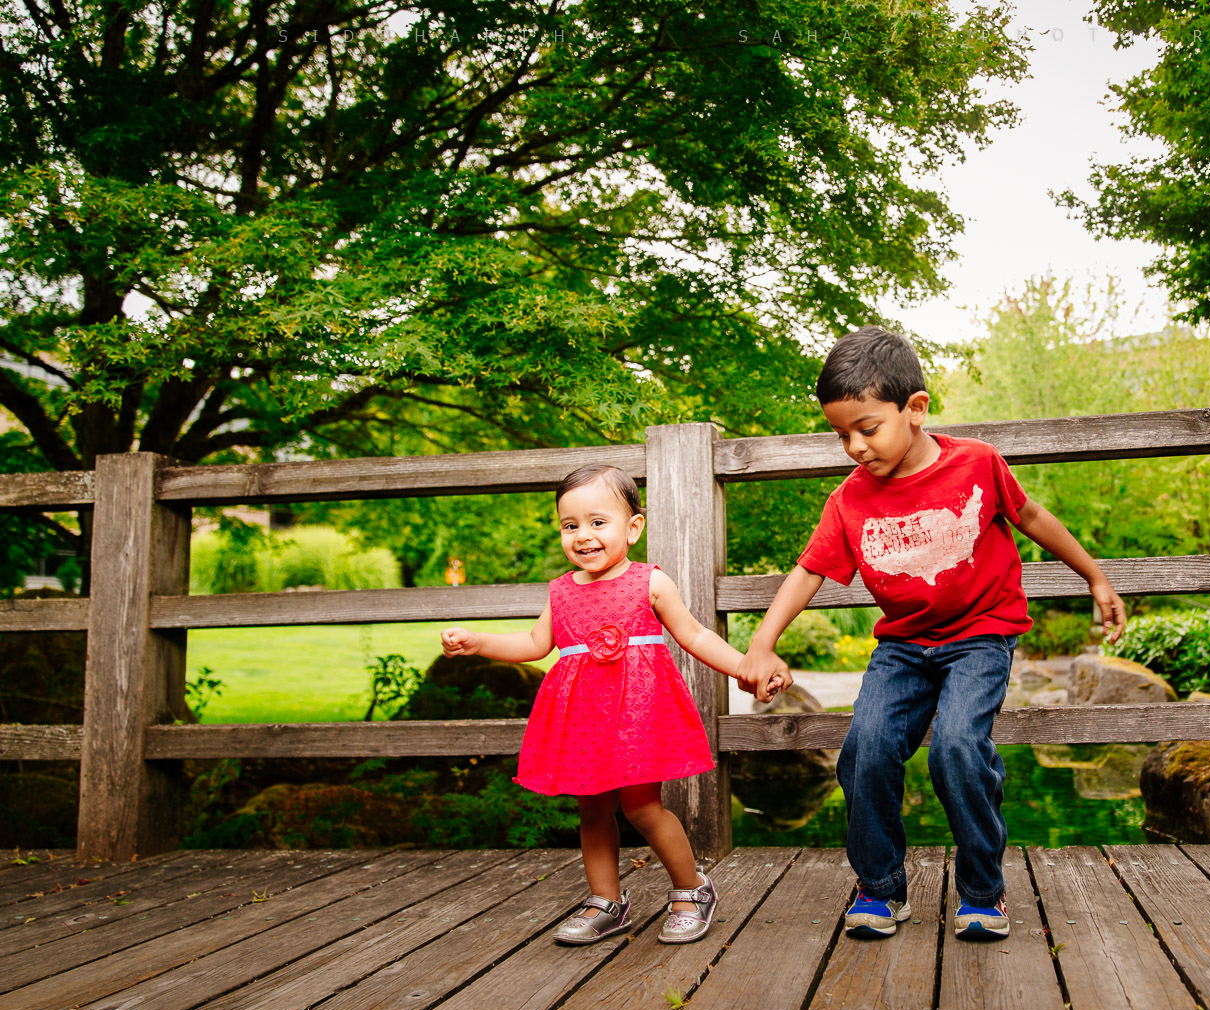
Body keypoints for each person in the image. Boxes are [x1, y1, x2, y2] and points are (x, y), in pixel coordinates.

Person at [735, 327, 1127, 941]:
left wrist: (1095, 577)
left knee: (956, 748)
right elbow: (809, 570)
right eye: (841, 435)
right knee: (864, 750)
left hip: (981, 636)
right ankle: (882, 889)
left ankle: (981, 892)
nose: (854, 447)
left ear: (915, 409)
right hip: (904, 648)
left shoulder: (976, 464)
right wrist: (762, 643)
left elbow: (1030, 516)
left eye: (867, 428)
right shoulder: (849, 501)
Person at [441, 464, 778, 946]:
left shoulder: (649, 583)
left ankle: (692, 888)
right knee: (593, 809)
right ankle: (607, 901)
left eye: (598, 522)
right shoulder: (561, 592)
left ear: (632, 527)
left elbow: (696, 635)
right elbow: (535, 644)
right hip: (582, 719)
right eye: (570, 525)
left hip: (638, 715)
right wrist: (478, 641)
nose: (583, 536)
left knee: (642, 807)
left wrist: (746, 666)